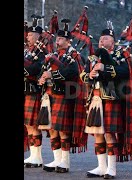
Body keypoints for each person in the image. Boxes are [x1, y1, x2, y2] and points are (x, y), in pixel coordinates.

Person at [81, 21, 132, 179]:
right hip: (95, 97)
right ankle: (101, 166)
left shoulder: (120, 55)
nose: (101, 41)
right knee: (97, 133)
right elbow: (83, 74)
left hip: (111, 97)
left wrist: (105, 68)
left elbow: (126, 72)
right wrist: (89, 75)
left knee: (109, 133)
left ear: (112, 41)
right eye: (100, 39)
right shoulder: (93, 57)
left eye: (105, 39)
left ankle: (111, 169)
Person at [38, 19, 82, 173]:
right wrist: (43, 77)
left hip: (64, 95)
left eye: (61, 39)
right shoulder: (54, 55)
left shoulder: (74, 55)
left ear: (68, 41)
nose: (58, 41)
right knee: (52, 129)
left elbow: (72, 73)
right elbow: (42, 69)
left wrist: (52, 74)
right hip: (51, 94)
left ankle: (65, 161)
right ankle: (56, 159)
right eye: (57, 38)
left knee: (62, 129)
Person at [24, 15, 45, 168]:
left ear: (38, 36)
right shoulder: (27, 51)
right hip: (26, 91)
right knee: (27, 125)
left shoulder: (42, 52)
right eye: (28, 34)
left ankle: (37, 157)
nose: (28, 36)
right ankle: (33, 156)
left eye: (31, 34)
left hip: (34, 90)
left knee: (33, 125)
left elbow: (35, 68)